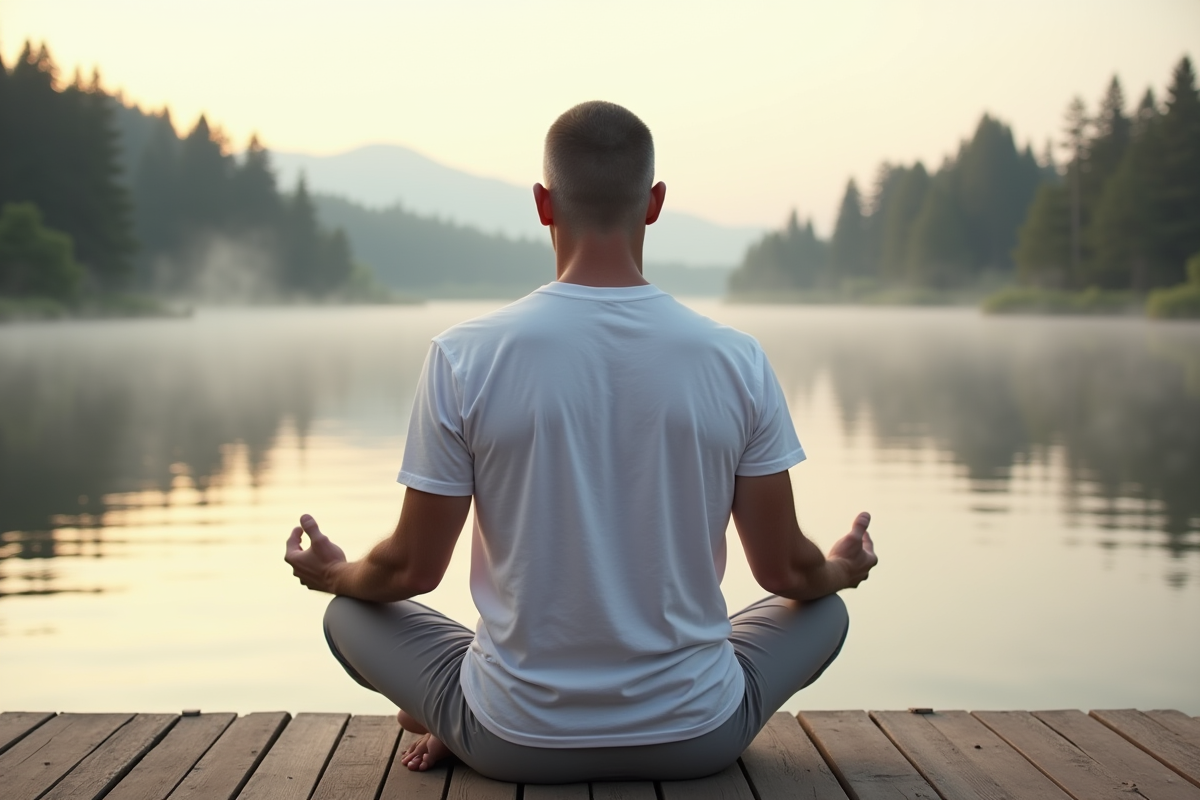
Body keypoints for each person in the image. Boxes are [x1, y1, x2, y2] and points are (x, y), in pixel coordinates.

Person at [284, 101, 877, 783]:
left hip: (513, 741)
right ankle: (500, 705)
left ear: (543, 204)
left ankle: (452, 715)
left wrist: (336, 574)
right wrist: (842, 569)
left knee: (348, 616)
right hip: (699, 737)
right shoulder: (735, 359)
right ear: (654, 204)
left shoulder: (464, 357)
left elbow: (410, 572)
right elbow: (786, 574)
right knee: (822, 613)